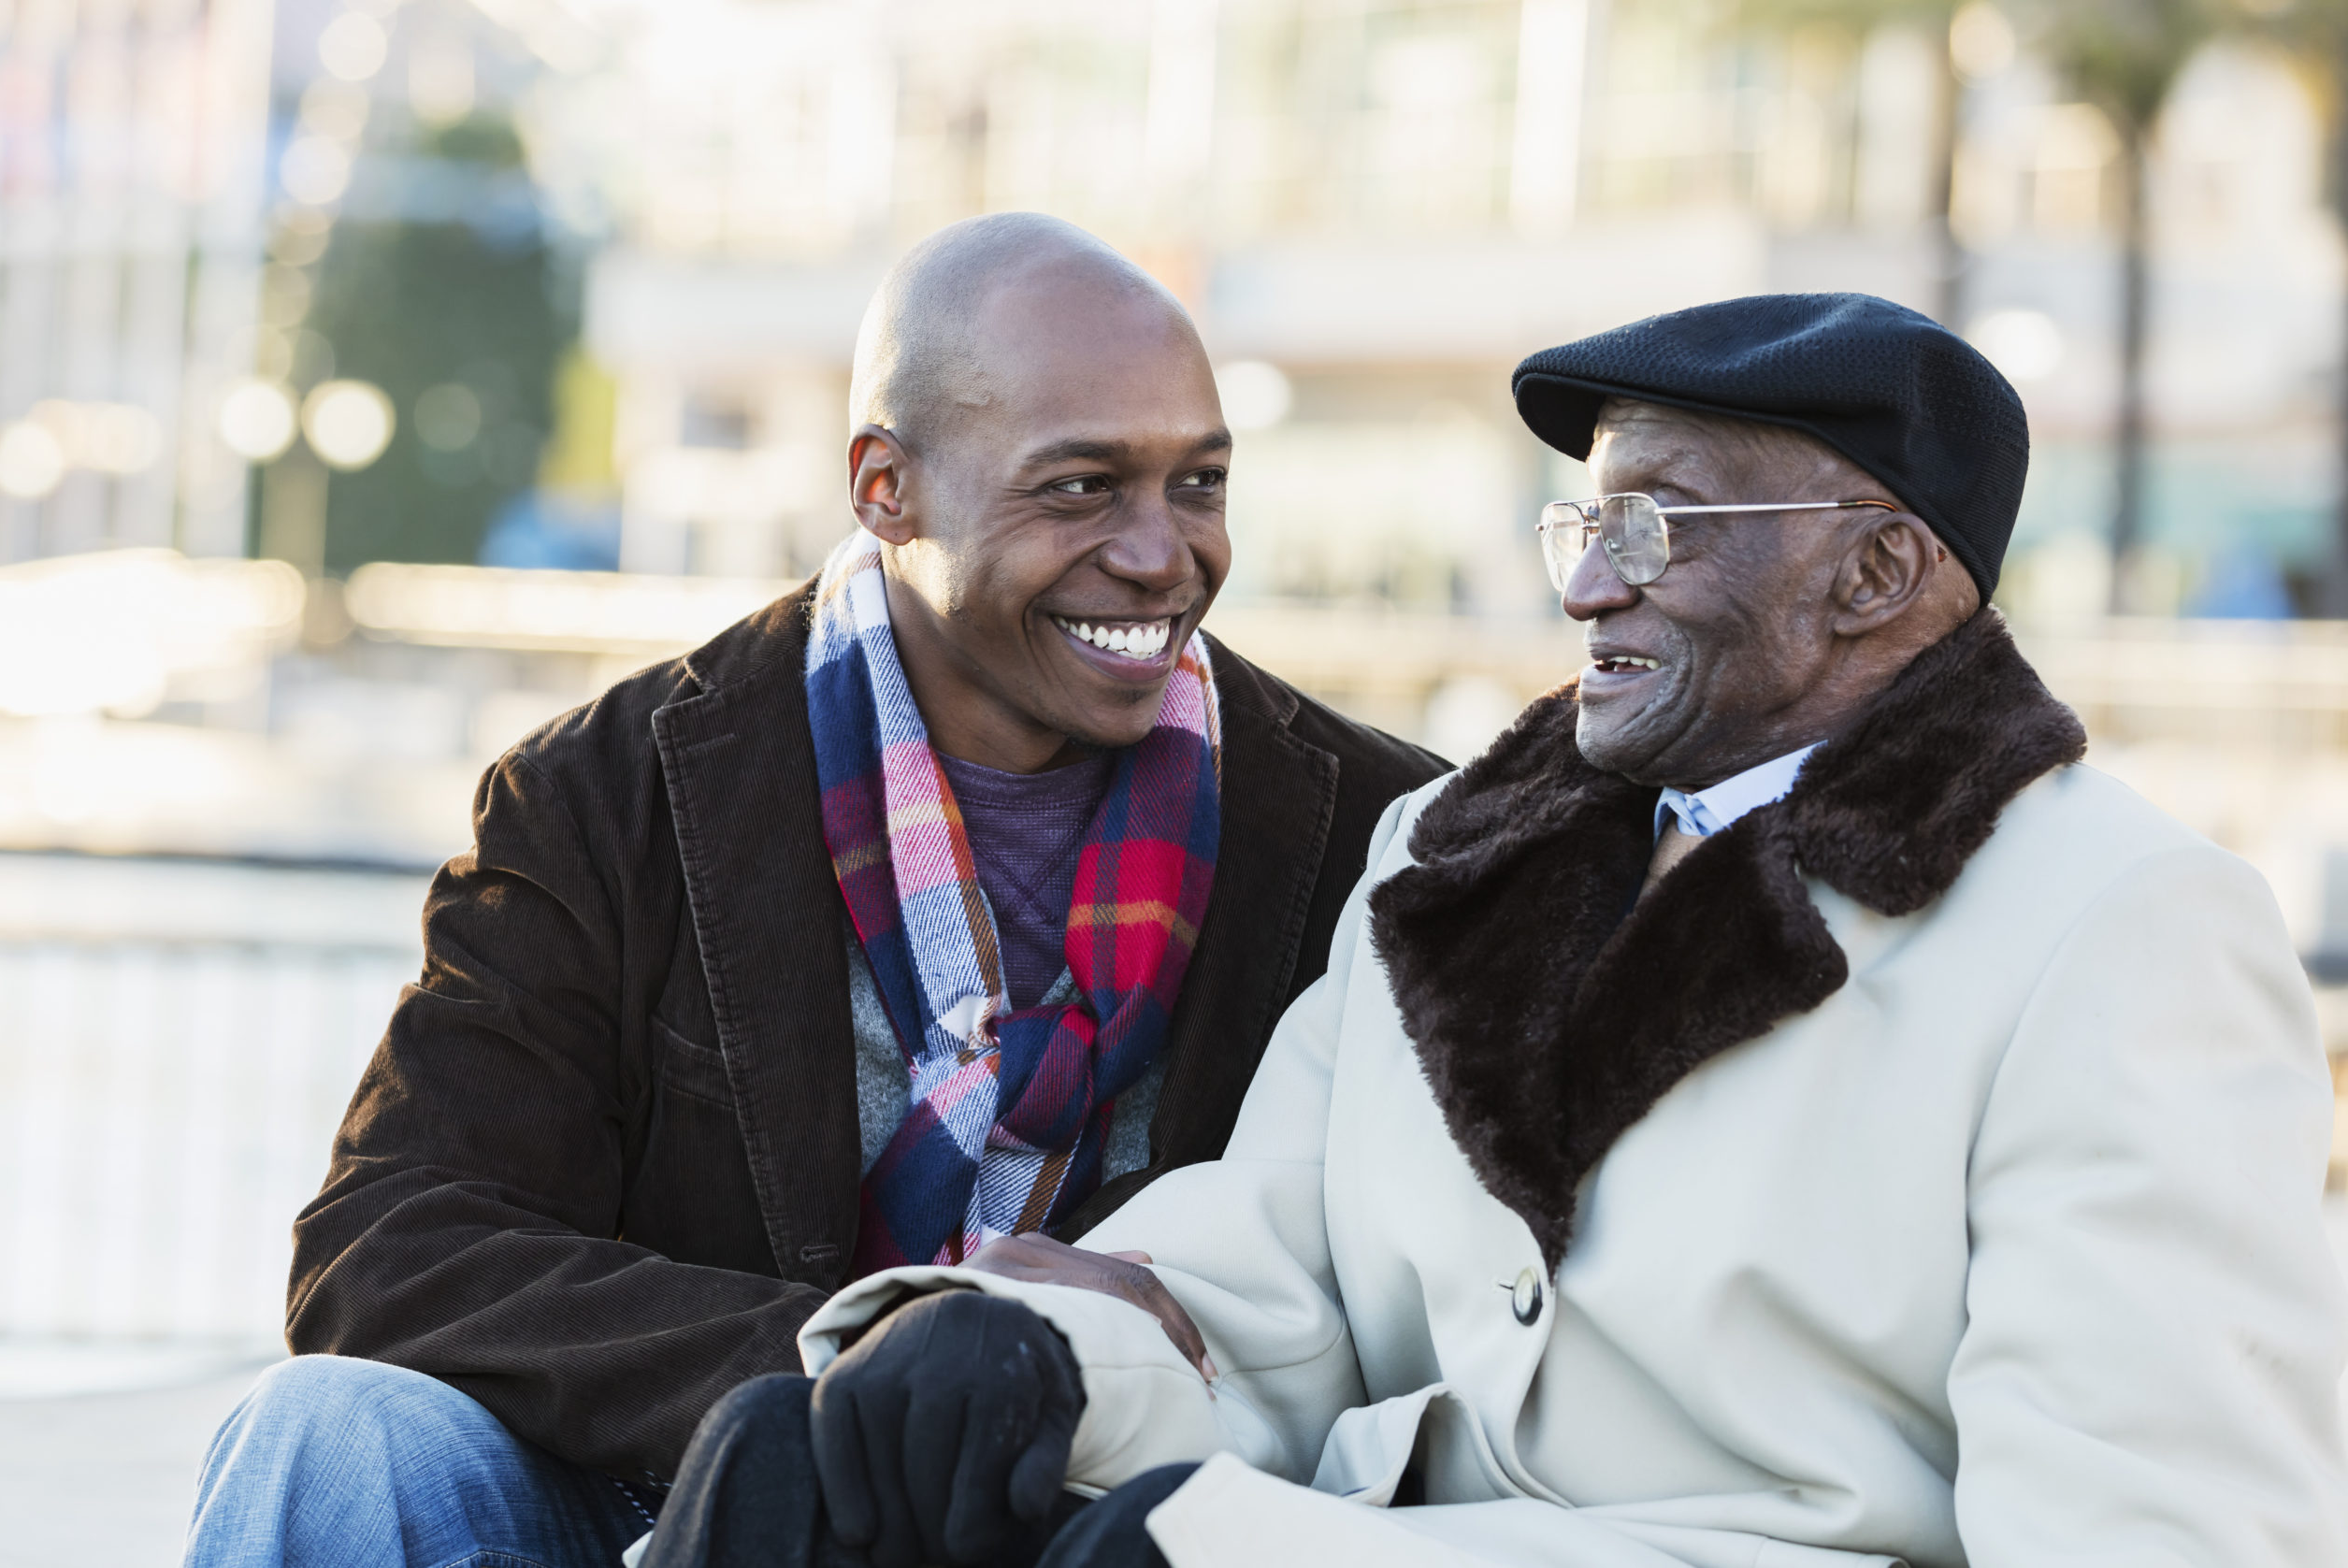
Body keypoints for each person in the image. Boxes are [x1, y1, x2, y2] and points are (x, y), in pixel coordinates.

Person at [644, 293, 2348, 1568]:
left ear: (1876, 574)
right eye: (1581, 523)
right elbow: (1277, 1276)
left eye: (1654, 524)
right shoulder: (1445, 854)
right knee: (809, 1471)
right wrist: (1024, 1356)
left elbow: (2158, 1532)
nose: (1586, 582)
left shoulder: (2120, 928)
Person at [181, 213, 1446, 1564]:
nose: (1160, 553)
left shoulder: (1387, 834)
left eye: (1198, 483)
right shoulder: (606, 793)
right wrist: (873, 1367)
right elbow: (391, 1247)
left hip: (1107, 1516)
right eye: (1080, 487)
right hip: (679, 1488)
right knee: (328, 1432)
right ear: (884, 486)